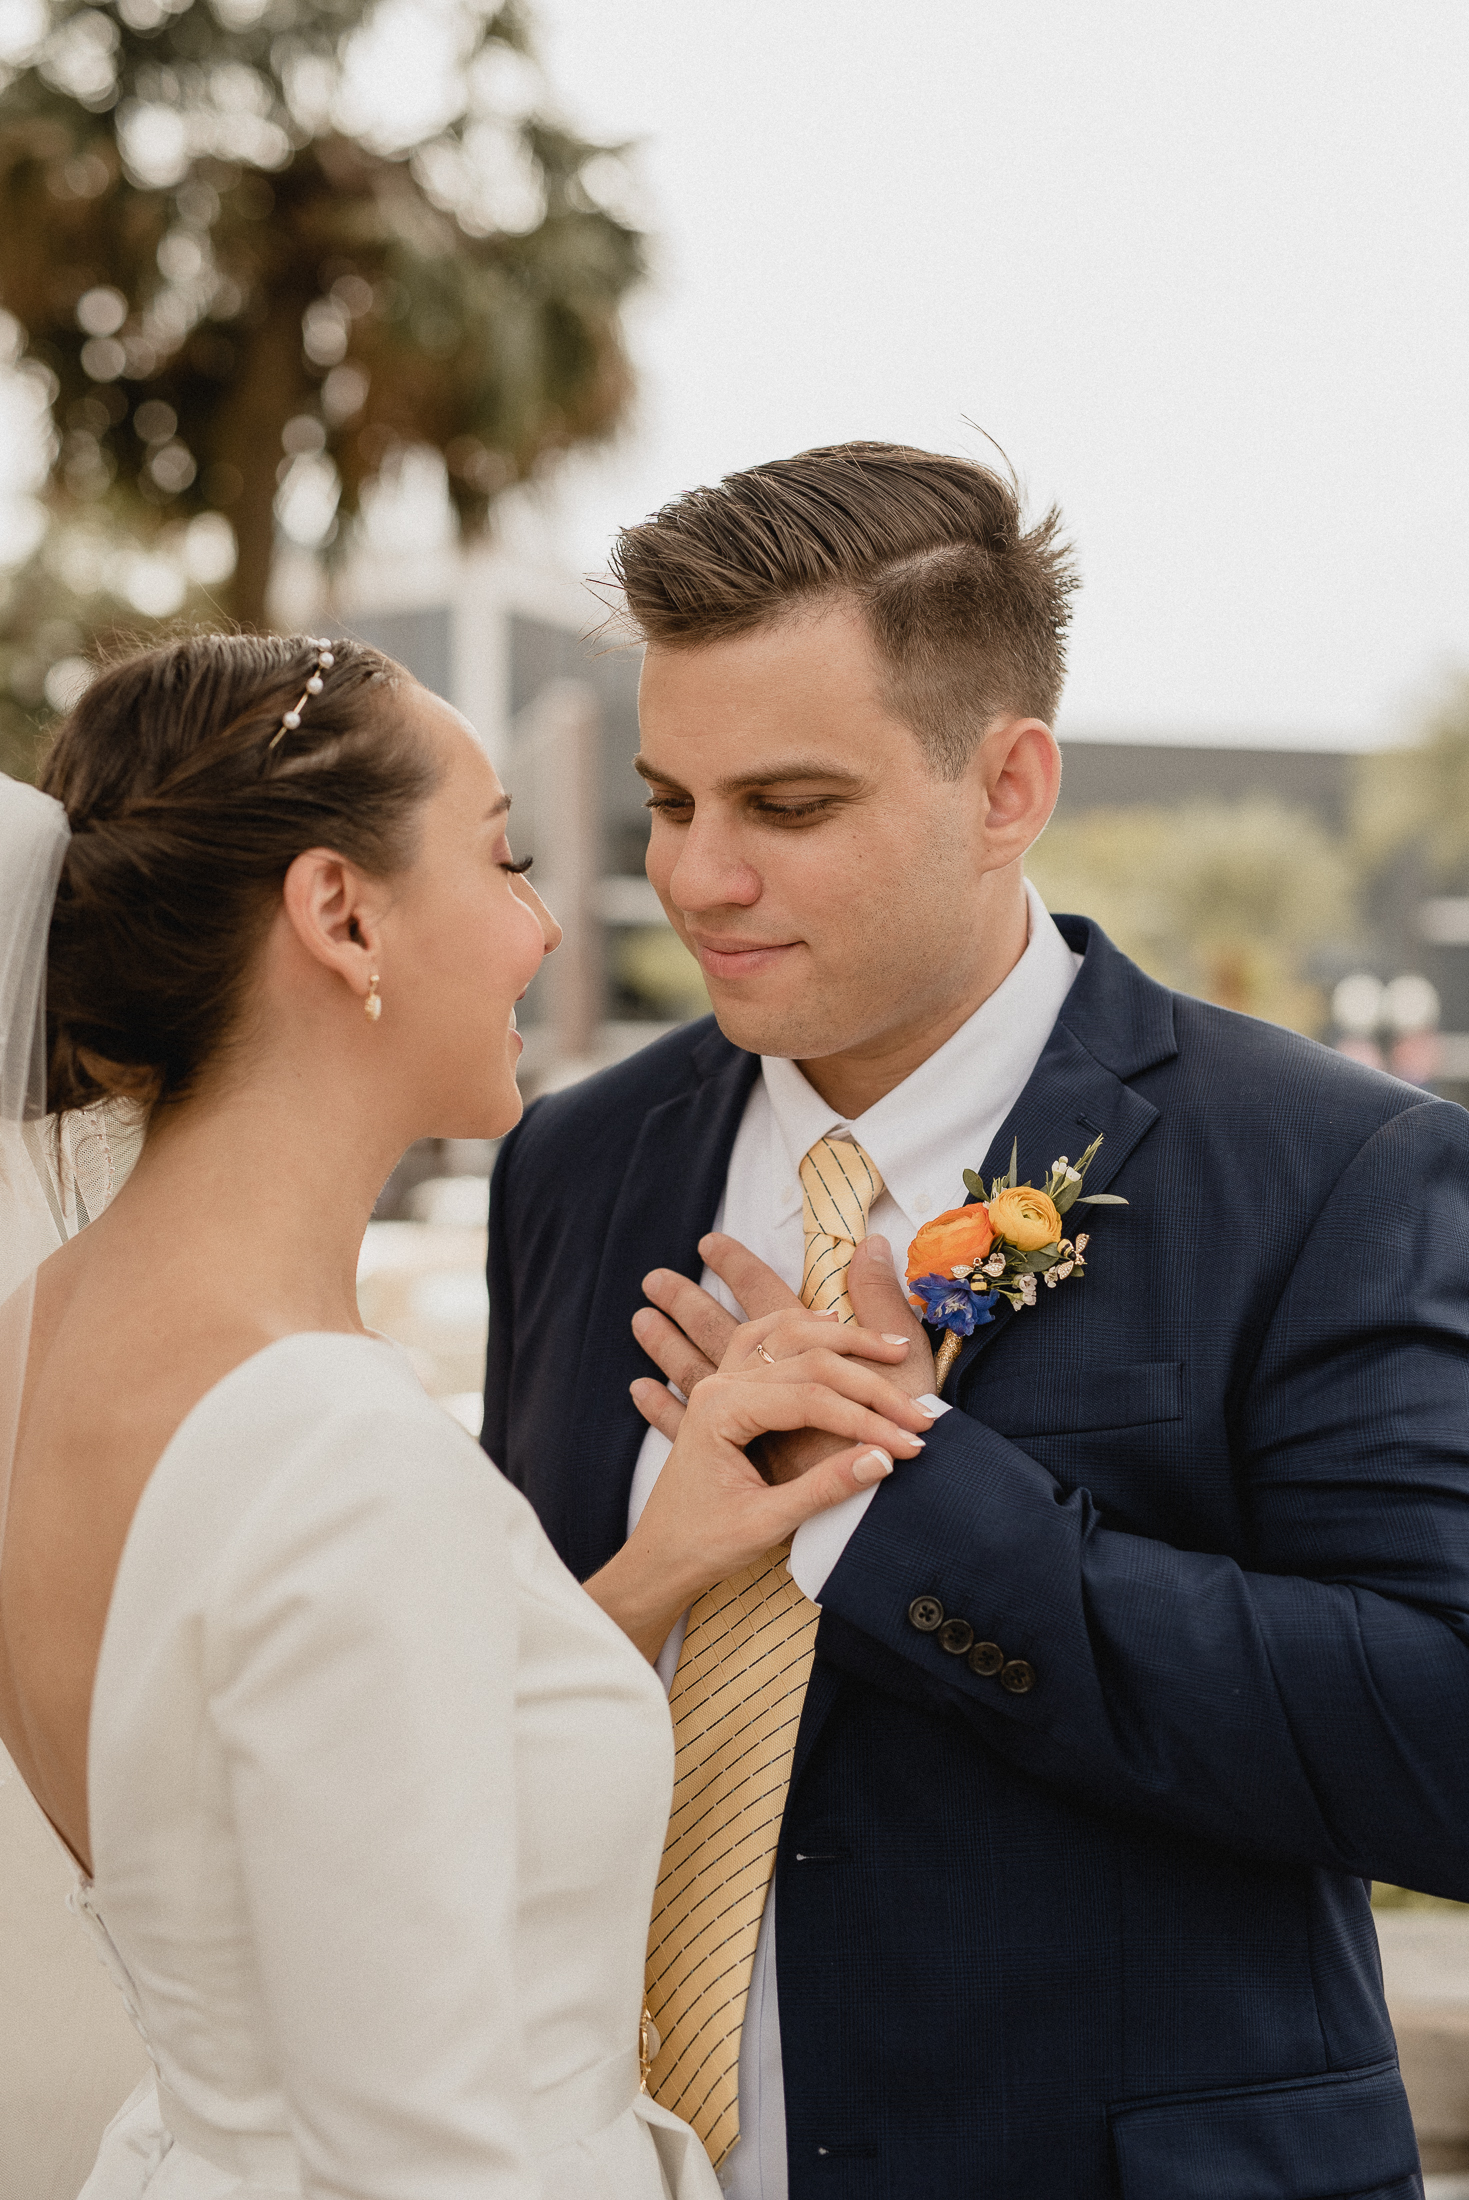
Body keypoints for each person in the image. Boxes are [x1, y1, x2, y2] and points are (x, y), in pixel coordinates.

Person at [483, 442, 1469, 2199]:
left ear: (1007, 784)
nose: (699, 879)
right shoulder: (572, 1166)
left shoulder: (1336, 1170)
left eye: (786, 808)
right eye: (670, 801)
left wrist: (899, 1515)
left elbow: (1443, 1749)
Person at [0, 632, 935, 2200]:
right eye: (501, 858)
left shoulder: (42, 1335)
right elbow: (421, 2153)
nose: (541, 924)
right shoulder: (337, 1450)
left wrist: (654, 1566)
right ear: (340, 912)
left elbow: (289, 1769)